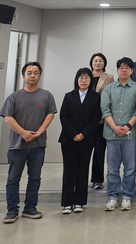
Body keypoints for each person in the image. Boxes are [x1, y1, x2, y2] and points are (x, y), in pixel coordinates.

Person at [0, 61, 57, 224]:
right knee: (13, 179)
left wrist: (39, 132)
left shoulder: (47, 95)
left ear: (40, 75)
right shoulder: (14, 97)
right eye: (29, 73)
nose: (32, 75)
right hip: (17, 146)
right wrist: (23, 133)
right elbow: (8, 118)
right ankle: (12, 210)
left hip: (38, 146)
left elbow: (50, 115)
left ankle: (30, 208)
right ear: (23, 76)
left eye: (36, 72)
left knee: (35, 178)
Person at [59, 68, 102, 214]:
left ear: (91, 80)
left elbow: (96, 117)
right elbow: (63, 116)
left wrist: (83, 134)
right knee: (69, 170)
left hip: (87, 139)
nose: (83, 81)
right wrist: (73, 134)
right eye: (81, 78)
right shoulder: (69, 96)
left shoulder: (95, 97)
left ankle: (79, 202)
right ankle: (67, 203)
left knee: (83, 170)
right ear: (76, 80)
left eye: (86, 78)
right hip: (68, 139)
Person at [101, 57, 136, 212]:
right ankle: (112, 196)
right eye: (121, 68)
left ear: (132, 70)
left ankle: (127, 196)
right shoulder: (108, 88)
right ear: (117, 70)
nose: (124, 70)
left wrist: (127, 126)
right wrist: (115, 127)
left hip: (130, 134)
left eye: (127, 68)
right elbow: (105, 110)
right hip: (112, 134)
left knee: (130, 168)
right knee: (112, 169)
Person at [89, 52, 114, 190]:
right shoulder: (85, 75)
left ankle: (97, 180)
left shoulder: (109, 77)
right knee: (84, 151)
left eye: (100, 61)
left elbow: (113, 97)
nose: (98, 63)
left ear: (104, 63)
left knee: (99, 151)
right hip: (86, 120)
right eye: (95, 60)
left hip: (101, 120)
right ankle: (80, 178)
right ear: (91, 63)